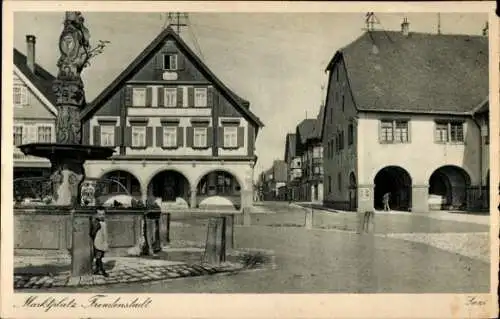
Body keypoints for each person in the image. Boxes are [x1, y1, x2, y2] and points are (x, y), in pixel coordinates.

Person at [90, 207, 109, 277]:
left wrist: (106, 242)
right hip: (97, 243)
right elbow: (92, 233)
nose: (101, 216)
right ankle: (102, 270)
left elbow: (105, 234)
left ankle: (97, 270)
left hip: (102, 243)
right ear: (96, 215)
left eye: (103, 214)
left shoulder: (103, 223)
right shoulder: (97, 223)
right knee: (99, 258)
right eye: (99, 214)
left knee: (99, 257)